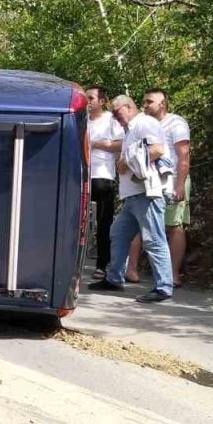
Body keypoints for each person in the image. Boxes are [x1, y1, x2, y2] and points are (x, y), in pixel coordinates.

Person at [87, 95, 174, 303]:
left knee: (154, 239)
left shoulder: (144, 123)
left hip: (147, 193)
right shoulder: (130, 130)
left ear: (128, 107)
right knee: (118, 233)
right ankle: (114, 278)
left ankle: (163, 287)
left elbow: (157, 149)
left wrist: (125, 160)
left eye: (116, 112)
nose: (115, 117)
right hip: (134, 196)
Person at [125, 88, 191, 287]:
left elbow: (183, 155)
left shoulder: (176, 123)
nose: (145, 105)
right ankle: (131, 269)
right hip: (146, 181)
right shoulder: (142, 123)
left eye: (149, 102)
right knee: (139, 222)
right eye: (144, 101)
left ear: (163, 104)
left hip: (171, 180)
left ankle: (173, 274)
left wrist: (180, 185)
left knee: (174, 226)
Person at [85, 86, 123, 280]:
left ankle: (102, 264)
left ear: (102, 101)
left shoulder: (111, 120)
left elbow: (121, 144)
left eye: (91, 98)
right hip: (81, 175)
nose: (88, 101)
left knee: (103, 222)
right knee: (76, 220)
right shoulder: (82, 120)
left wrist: (95, 143)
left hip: (103, 176)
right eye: (86, 98)